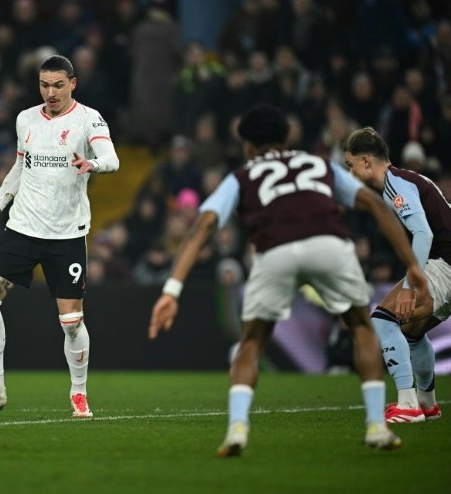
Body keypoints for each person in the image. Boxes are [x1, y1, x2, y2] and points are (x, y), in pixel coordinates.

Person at [148, 104, 427, 457]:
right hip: (329, 244)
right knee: (360, 327)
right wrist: (412, 265)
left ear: (248, 146)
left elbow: (204, 224)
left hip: (274, 250)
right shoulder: (318, 164)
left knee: (251, 341)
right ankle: (376, 426)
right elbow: (373, 205)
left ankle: (237, 429)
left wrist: (172, 289)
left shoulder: (242, 174)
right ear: (286, 137)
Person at [0, 55, 119, 418]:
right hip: (23, 227)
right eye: (44, 85)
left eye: (58, 85)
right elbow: (21, 165)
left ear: (73, 84)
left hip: (66, 234)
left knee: (71, 322)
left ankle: (78, 392)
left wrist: (91, 163)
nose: (50, 92)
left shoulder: (88, 119)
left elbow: (112, 159)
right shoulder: (25, 118)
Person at [343, 127, 446, 423]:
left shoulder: (395, 184)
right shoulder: (408, 179)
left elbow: (423, 233)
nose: (350, 173)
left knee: (384, 320)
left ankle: (408, 405)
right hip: (447, 263)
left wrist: (411, 287)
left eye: (350, 165)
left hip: (444, 263)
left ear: (365, 161)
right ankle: (427, 405)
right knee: (413, 332)